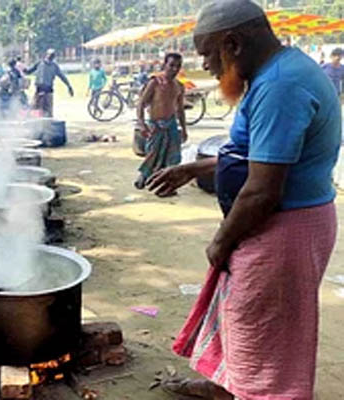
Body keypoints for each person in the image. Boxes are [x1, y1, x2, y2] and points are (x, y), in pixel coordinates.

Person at [148, 1, 340, 399]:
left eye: (207, 55)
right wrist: (194, 169)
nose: (208, 68)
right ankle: (229, 385)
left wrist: (221, 242)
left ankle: (258, 392)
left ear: (232, 43)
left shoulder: (281, 87)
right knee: (244, 317)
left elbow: (263, 189)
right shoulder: (280, 71)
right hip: (281, 223)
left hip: (283, 227)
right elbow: (262, 155)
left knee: (260, 327)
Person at [134, 53, 187, 191]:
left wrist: (184, 129)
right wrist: (141, 123)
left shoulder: (179, 86)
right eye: (171, 65)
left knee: (173, 155)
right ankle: (143, 176)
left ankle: (166, 182)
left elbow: (180, 110)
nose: (175, 69)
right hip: (155, 124)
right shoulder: (155, 82)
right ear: (164, 65)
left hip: (171, 125)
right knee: (152, 152)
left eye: (178, 66)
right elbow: (141, 104)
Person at [24, 48, 74, 117]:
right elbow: (29, 71)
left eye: (52, 55)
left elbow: (62, 76)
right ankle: (27, 117)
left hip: (48, 89)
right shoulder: (40, 63)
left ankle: (49, 122)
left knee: (48, 109)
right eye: (50, 55)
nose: (50, 57)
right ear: (46, 55)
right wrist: (24, 70)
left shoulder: (54, 66)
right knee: (34, 106)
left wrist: (69, 86)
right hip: (39, 89)